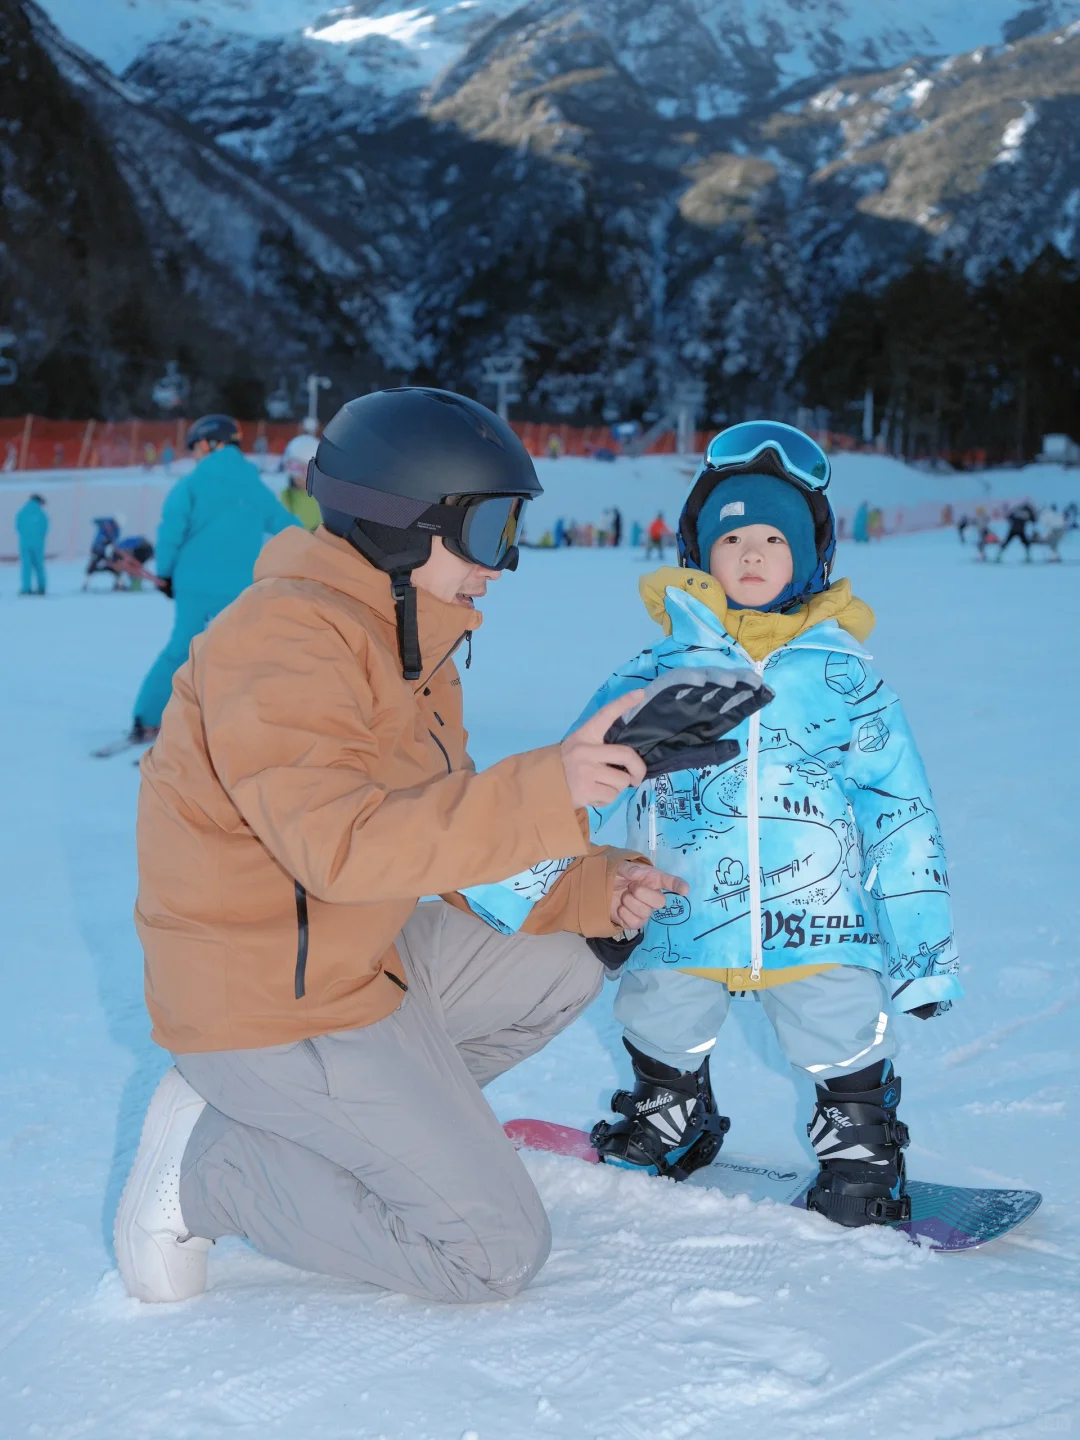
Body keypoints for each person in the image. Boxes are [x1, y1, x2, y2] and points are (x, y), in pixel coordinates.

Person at [114, 388, 684, 1308]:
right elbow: (339, 849)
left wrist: (588, 889)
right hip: (270, 1011)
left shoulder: (409, 642)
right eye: (490, 530)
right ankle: (213, 1169)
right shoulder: (282, 643)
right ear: (405, 522)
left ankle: (338, 1130)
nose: (503, 564)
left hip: (353, 970)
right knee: (493, 1252)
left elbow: (442, 833)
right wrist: (551, 787)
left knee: (561, 963)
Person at [478, 422, 960, 1226]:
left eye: (774, 536)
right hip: (683, 902)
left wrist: (924, 951)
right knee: (660, 1011)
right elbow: (576, 781)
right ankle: (670, 1112)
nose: (752, 552)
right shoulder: (656, 672)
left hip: (818, 914)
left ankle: (861, 1147)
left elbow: (900, 812)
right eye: (732, 535)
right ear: (701, 551)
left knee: (839, 1025)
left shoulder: (845, 680)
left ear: (810, 554)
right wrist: (513, 889)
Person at [127, 415, 301, 745]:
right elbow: (286, 525)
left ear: (210, 443)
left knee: (180, 650)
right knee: (238, 652)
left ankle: (148, 718)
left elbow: (171, 532)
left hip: (193, 585)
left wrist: (164, 574)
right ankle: (238, 721)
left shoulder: (191, 485)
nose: (194, 455)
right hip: (240, 587)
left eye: (195, 448)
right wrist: (320, 544)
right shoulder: (254, 485)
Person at [279, 433, 322, 530]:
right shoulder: (286, 496)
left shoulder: (324, 501)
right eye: (293, 468)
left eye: (302, 469)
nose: (297, 476)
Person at [15, 493, 48, 595]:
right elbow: (45, 528)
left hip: (24, 543)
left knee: (26, 566)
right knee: (39, 566)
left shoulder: (21, 513)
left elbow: (18, 527)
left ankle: (26, 588)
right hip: (38, 544)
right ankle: (41, 587)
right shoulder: (41, 514)